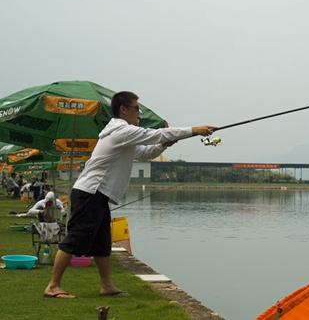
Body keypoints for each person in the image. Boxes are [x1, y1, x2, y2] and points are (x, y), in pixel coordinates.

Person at [44, 91, 216, 299]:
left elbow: (143, 153)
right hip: (91, 191)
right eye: (136, 108)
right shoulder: (121, 131)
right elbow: (156, 134)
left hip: (98, 193)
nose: (139, 113)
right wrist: (193, 130)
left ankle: (106, 285)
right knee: (76, 237)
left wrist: (162, 146)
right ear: (123, 109)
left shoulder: (122, 134)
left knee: (101, 242)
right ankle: (53, 286)